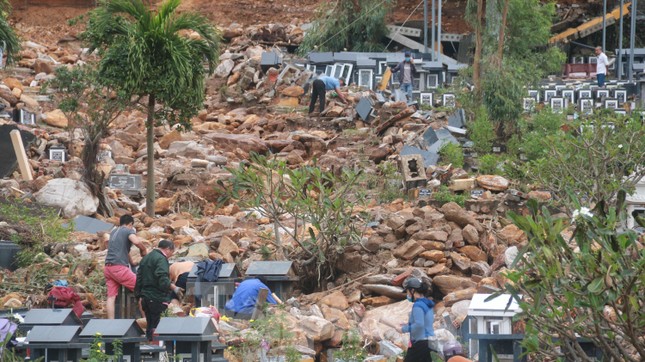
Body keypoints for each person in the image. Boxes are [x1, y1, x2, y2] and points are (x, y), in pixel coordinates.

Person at [134, 239, 183, 341]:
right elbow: (162, 278)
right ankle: (157, 350)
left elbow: (139, 278)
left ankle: (149, 345)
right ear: (168, 249)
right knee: (157, 325)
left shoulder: (146, 258)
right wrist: (174, 288)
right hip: (157, 297)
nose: (170, 255)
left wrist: (138, 295)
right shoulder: (161, 259)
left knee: (149, 324)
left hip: (145, 298)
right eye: (172, 253)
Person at [104, 214, 148, 319]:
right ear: (130, 224)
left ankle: (111, 323)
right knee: (142, 290)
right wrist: (143, 250)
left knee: (111, 297)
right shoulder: (128, 230)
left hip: (108, 268)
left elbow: (125, 251)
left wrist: (132, 263)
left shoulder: (114, 232)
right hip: (119, 268)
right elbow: (136, 241)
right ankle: (146, 320)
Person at [398, 276, 435, 362]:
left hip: (419, 343)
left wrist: (403, 329)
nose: (407, 294)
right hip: (428, 342)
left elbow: (419, 325)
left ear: (412, 290)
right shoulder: (427, 303)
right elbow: (425, 322)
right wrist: (408, 324)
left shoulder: (418, 305)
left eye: (407, 291)